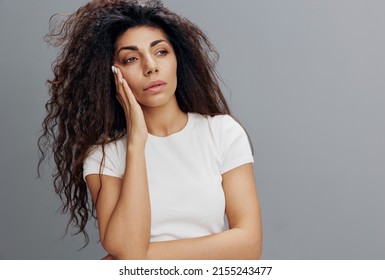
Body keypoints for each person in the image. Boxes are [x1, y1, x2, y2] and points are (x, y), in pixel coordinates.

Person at [38, 0, 262, 260]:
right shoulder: (104, 155)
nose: (151, 66)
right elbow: (126, 248)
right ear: (112, 74)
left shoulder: (222, 132)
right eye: (131, 58)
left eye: (161, 52)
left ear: (178, 58)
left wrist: (139, 256)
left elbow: (249, 245)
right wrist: (136, 143)